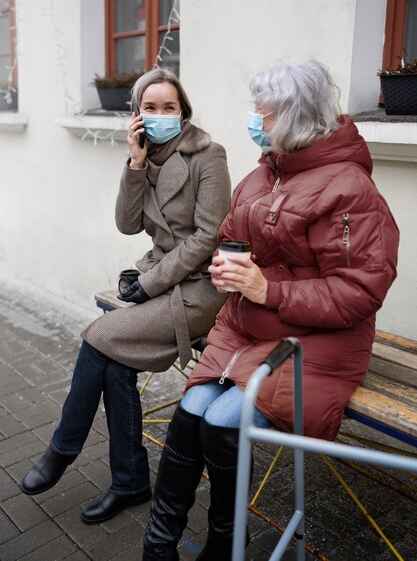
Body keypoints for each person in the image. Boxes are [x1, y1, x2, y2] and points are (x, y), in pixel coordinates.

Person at [141, 59, 400, 560]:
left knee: (219, 422)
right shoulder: (266, 174)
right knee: (189, 413)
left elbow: (360, 292)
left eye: (264, 112)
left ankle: (224, 544)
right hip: (245, 330)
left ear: (298, 118)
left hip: (315, 341)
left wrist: (268, 290)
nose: (254, 119)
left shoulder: (351, 189)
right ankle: (159, 545)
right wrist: (227, 267)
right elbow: (231, 238)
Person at [20, 68, 231, 525]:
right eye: (149, 108)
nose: (159, 115)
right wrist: (134, 163)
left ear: (183, 111)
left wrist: (151, 283)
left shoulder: (208, 155)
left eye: (168, 107)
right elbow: (127, 223)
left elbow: (208, 238)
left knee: (98, 335)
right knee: (116, 362)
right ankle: (130, 481)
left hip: (199, 289)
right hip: (160, 276)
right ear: (136, 116)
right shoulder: (146, 156)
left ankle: (63, 447)